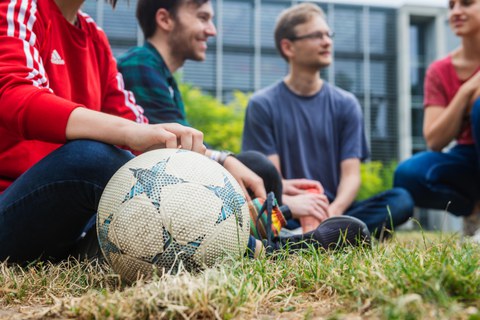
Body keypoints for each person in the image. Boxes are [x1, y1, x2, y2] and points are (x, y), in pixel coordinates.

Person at [117, 0, 371, 253]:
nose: (212, 30)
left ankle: (276, 233)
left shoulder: (163, 76)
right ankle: (279, 242)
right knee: (257, 167)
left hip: (168, 193)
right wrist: (289, 203)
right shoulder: (140, 64)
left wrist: (284, 192)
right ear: (165, 20)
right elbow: (180, 156)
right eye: (203, 18)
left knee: (259, 169)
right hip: (151, 198)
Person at [0, 0, 207, 263]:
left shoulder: (94, 37)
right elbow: (14, 95)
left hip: (72, 221)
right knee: (91, 158)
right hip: (11, 205)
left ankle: (244, 229)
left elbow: (135, 122)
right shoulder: (17, 7)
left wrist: (218, 163)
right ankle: (255, 246)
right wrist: (129, 133)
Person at [241, 3, 414, 237]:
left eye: (328, 34)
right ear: (288, 46)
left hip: (335, 209)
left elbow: (352, 177)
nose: (327, 41)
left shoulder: (346, 103)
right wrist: (297, 208)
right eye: (316, 35)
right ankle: (337, 235)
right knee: (263, 217)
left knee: (401, 200)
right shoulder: (262, 104)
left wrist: (332, 213)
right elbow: (273, 182)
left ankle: (320, 235)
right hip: (290, 211)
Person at [394, 0, 480, 239]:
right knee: (408, 175)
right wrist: (466, 91)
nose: (456, 12)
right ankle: (474, 213)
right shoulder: (439, 70)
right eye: (451, 6)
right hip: (468, 156)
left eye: (466, 3)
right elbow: (434, 140)